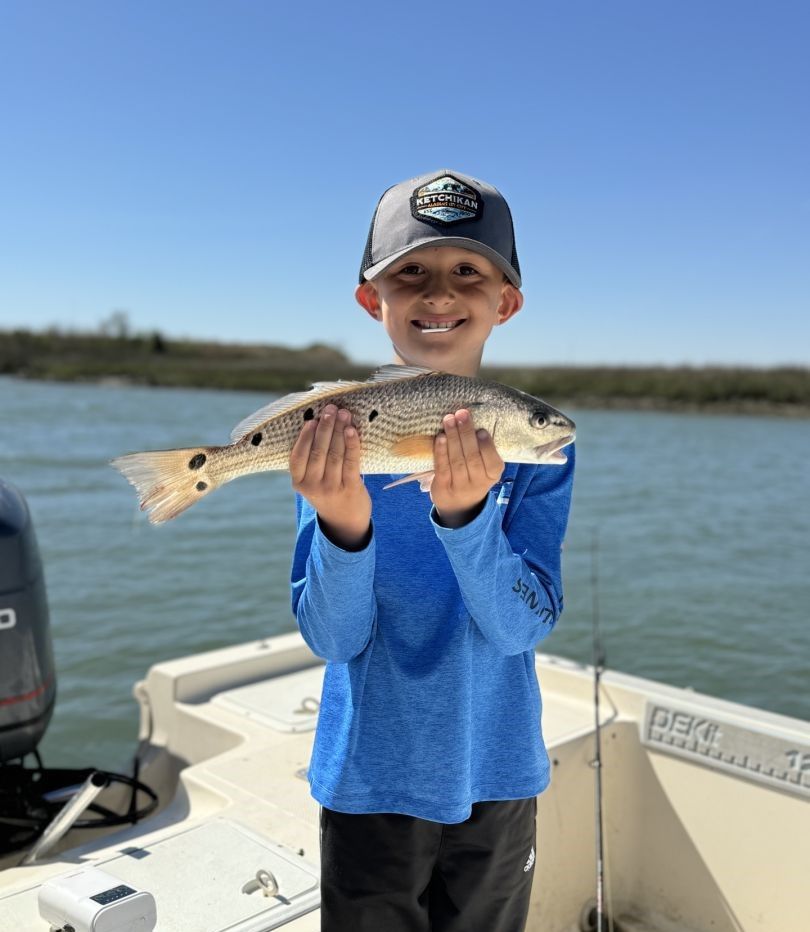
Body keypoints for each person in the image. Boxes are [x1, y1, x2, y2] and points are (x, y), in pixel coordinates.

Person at [289, 169, 575, 932]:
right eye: (410, 271)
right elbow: (332, 637)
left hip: (499, 770)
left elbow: (523, 625)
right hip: (368, 779)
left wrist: (468, 517)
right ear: (370, 299)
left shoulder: (542, 456)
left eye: (468, 272)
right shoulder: (334, 444)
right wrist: (343, 522)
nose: (439, 294)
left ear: (506, 302)